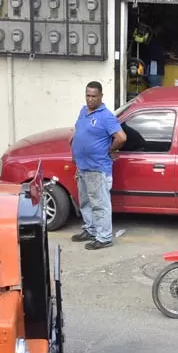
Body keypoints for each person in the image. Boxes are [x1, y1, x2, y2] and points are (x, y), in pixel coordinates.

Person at [68, 81, 127, 250]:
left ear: (101, 96)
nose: (90, 99)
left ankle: (104, 237)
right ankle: (90, 229)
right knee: (85, 202)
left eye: (94, 96)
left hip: (97, 167)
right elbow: (78, 131)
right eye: (87, 95)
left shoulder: (106, 116)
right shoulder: (83, 111)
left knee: (100, 204)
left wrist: (110, 149)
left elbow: (121, 138)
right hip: (83, 167)